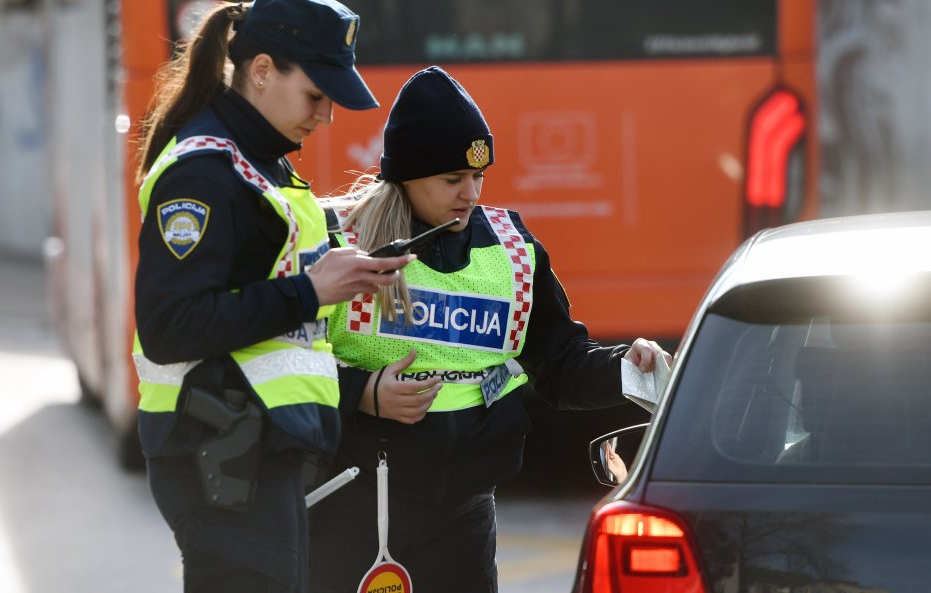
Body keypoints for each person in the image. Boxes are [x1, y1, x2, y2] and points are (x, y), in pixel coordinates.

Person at [309, 66, 671, 592]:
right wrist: (364, 395)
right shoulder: (342, 243)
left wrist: (624, 368)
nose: (470, 193)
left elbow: (558, 361)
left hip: (463, 514)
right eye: (451, 179)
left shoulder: (512, 248)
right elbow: (284, 362)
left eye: (479, 177)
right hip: (354, 506)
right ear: (406, 176)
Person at [130, 1, 414, 591]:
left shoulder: (262, 164)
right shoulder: (205, 171)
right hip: (220, 455)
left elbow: (267, 287)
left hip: (252, 454)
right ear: (261, 70)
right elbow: (169, 325)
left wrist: (339, 268)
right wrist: (313, 290)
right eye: (316, 95)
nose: (327, 116)